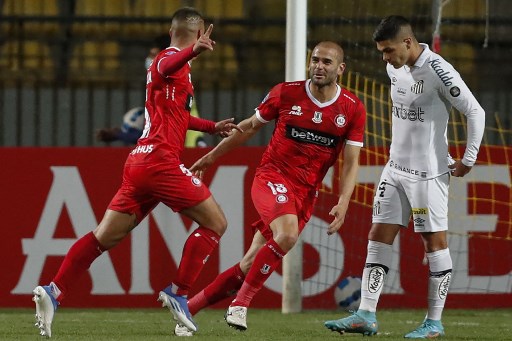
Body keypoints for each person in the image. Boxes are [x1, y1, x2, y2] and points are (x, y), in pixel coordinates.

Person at [32, 7, 242, 338]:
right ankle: (178, 292)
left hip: (140, 162)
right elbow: (163, 64)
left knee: (104, 236)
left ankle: (54, 291)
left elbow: (177, 118)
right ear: (199, 31)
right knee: (217, 223)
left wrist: (212, 126)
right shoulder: (169, 58)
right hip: (160, 162)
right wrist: (192, 50)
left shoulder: (178, 70)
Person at [175, 41, 366, 335]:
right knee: (287, 234)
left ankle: (188, 309)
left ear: (340, 69)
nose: (319, 66)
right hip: (272, 177)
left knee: (249, 263)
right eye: (315, 60)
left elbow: (351, 162)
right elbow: (250, 127)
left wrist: (344, 200)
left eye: (327, 62)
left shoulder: (352, 109)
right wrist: (212, 156)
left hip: (306, 193)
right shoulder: (286, 92)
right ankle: (241, 304)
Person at [324, 15, 485, 338]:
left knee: (434, 243)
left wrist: (469, 158)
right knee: (377, 236)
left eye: (388, 50)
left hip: (428, 174)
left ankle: (434, 322)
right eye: (382, 52)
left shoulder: (439, 71)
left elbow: (475, 112)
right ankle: (365, 314)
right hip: (394, 168)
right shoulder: (394, 68)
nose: (384, 58)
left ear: (408, 43)